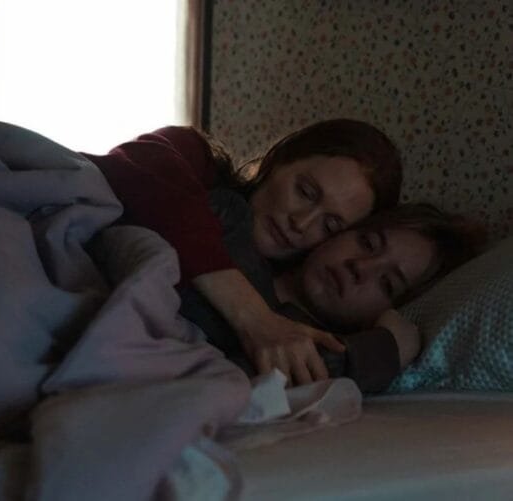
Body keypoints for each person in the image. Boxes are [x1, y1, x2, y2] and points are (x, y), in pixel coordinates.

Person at [81, 120, 404, 383]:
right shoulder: (196, 160)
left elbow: (296, 364)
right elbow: (137, 166)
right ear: (279, 161)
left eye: (330, 225)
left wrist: (392, 346)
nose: (302, 223)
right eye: (305, 192)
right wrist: (255, 318)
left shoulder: (284, 310)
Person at [180, 202, 485, 391]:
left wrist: (377, 351)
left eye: (387, 283)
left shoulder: (324, 353)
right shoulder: (234, 226)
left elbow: (203, 388)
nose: (360, 267)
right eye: (368, 243)